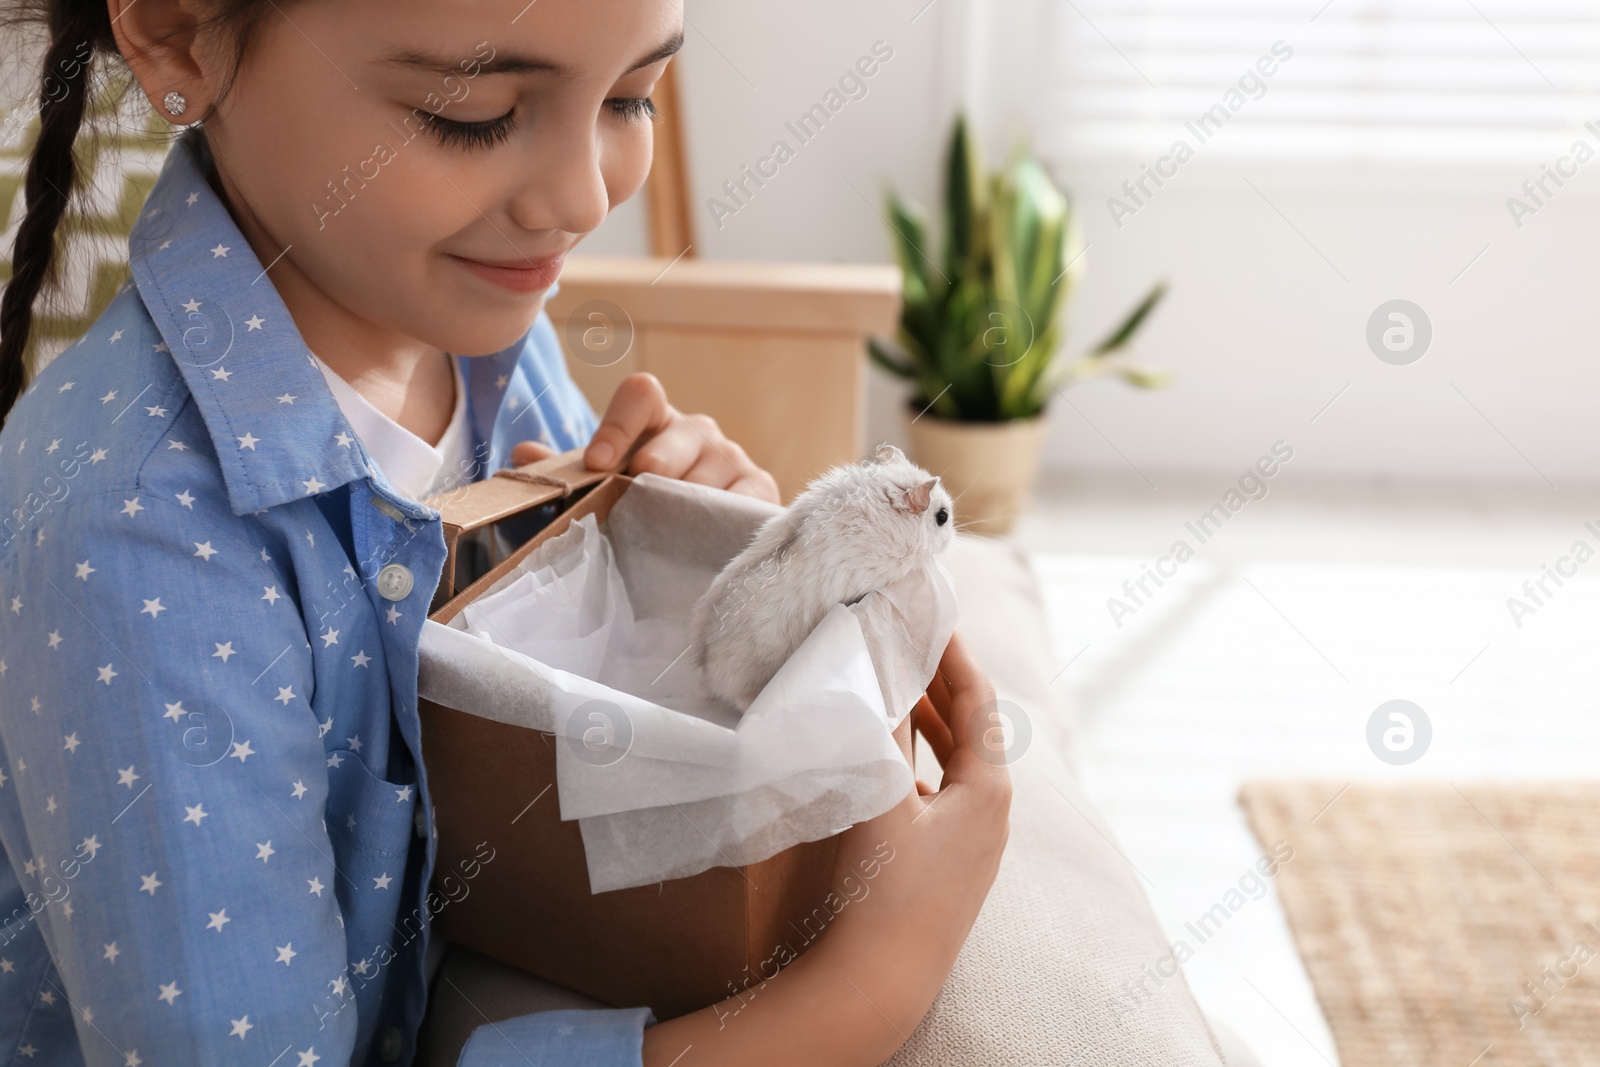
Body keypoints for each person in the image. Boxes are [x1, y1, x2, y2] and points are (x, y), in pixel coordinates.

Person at [0, 0, 1013, 1064]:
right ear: (174, 29)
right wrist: (869, 980)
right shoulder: (131, 535)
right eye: (472, 114)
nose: (582, 199)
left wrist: (706, 588)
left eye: (631, 96)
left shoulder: (480, 342)